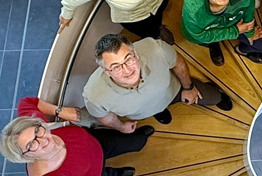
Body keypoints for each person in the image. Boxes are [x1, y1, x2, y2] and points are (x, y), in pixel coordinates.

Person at [0, 96, 154, 176]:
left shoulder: (33, 126)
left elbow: (26, 102)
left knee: (134, 142)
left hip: (94, 142)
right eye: (32, 144)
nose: (43, 140)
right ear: (25, 156)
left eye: (37, 131)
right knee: (108, 174)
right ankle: (117, 173)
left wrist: (60, 111)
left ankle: (138, 139)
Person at [83, 33, 231, 128]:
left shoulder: (156, 49)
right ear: (106, 71)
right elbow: (104, 117)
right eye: (116, 67)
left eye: (128, 59)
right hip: (145, 110)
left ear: (135, 54)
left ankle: (215, 94)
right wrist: (121, 127)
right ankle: (159, 111)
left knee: (214, 97)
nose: (127, 70)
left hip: (175, 90)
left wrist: (188, 87)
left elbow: (178, 63)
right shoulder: (95, 96)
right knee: (157, 109)